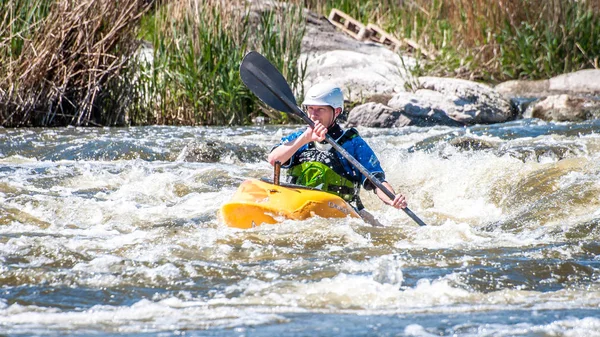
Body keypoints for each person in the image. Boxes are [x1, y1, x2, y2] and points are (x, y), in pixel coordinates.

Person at [267, 82, 407, 226]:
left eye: (320, 109)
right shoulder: (299, 138)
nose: (313, 115)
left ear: (337, 111)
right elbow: (273, 159)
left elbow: (377, 182)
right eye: (310, 109)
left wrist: (392, 198)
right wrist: (305, 138)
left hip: (340, 214)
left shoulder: (352, 143)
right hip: (297, 206)